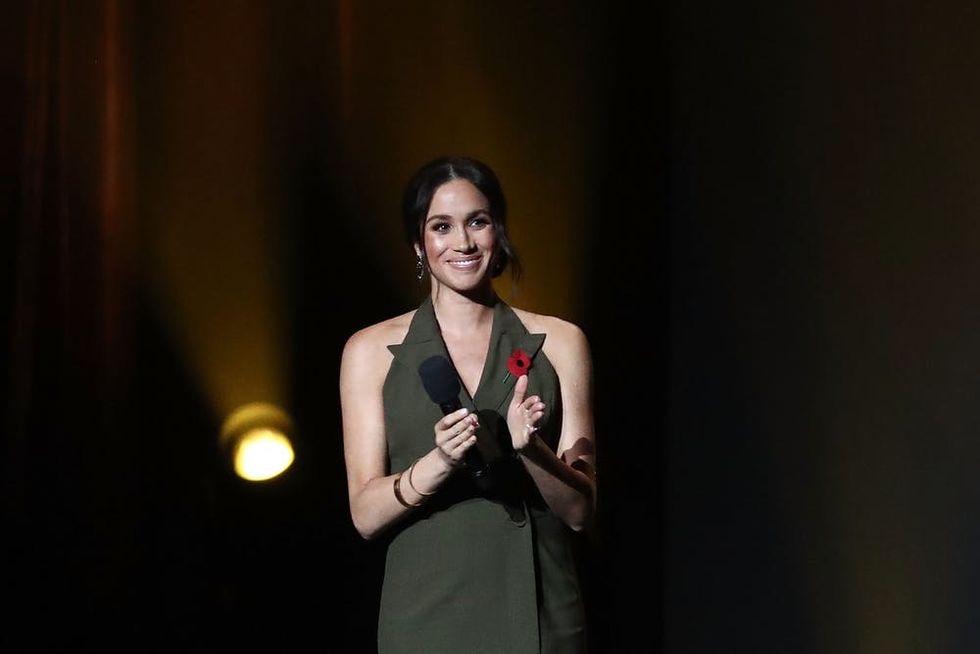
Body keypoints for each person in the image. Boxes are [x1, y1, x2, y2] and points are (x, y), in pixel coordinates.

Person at [339, 155, 597, 653]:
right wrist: (438, 462)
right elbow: (365, 515)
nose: (463, 242)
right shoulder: (369, 351)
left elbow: (581, 512)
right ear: (419, 243)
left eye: (477, 222)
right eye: (442, 226)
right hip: (427, 611)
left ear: (498, 231)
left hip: (538, 609)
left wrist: (532, 451)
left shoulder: (560, 342)